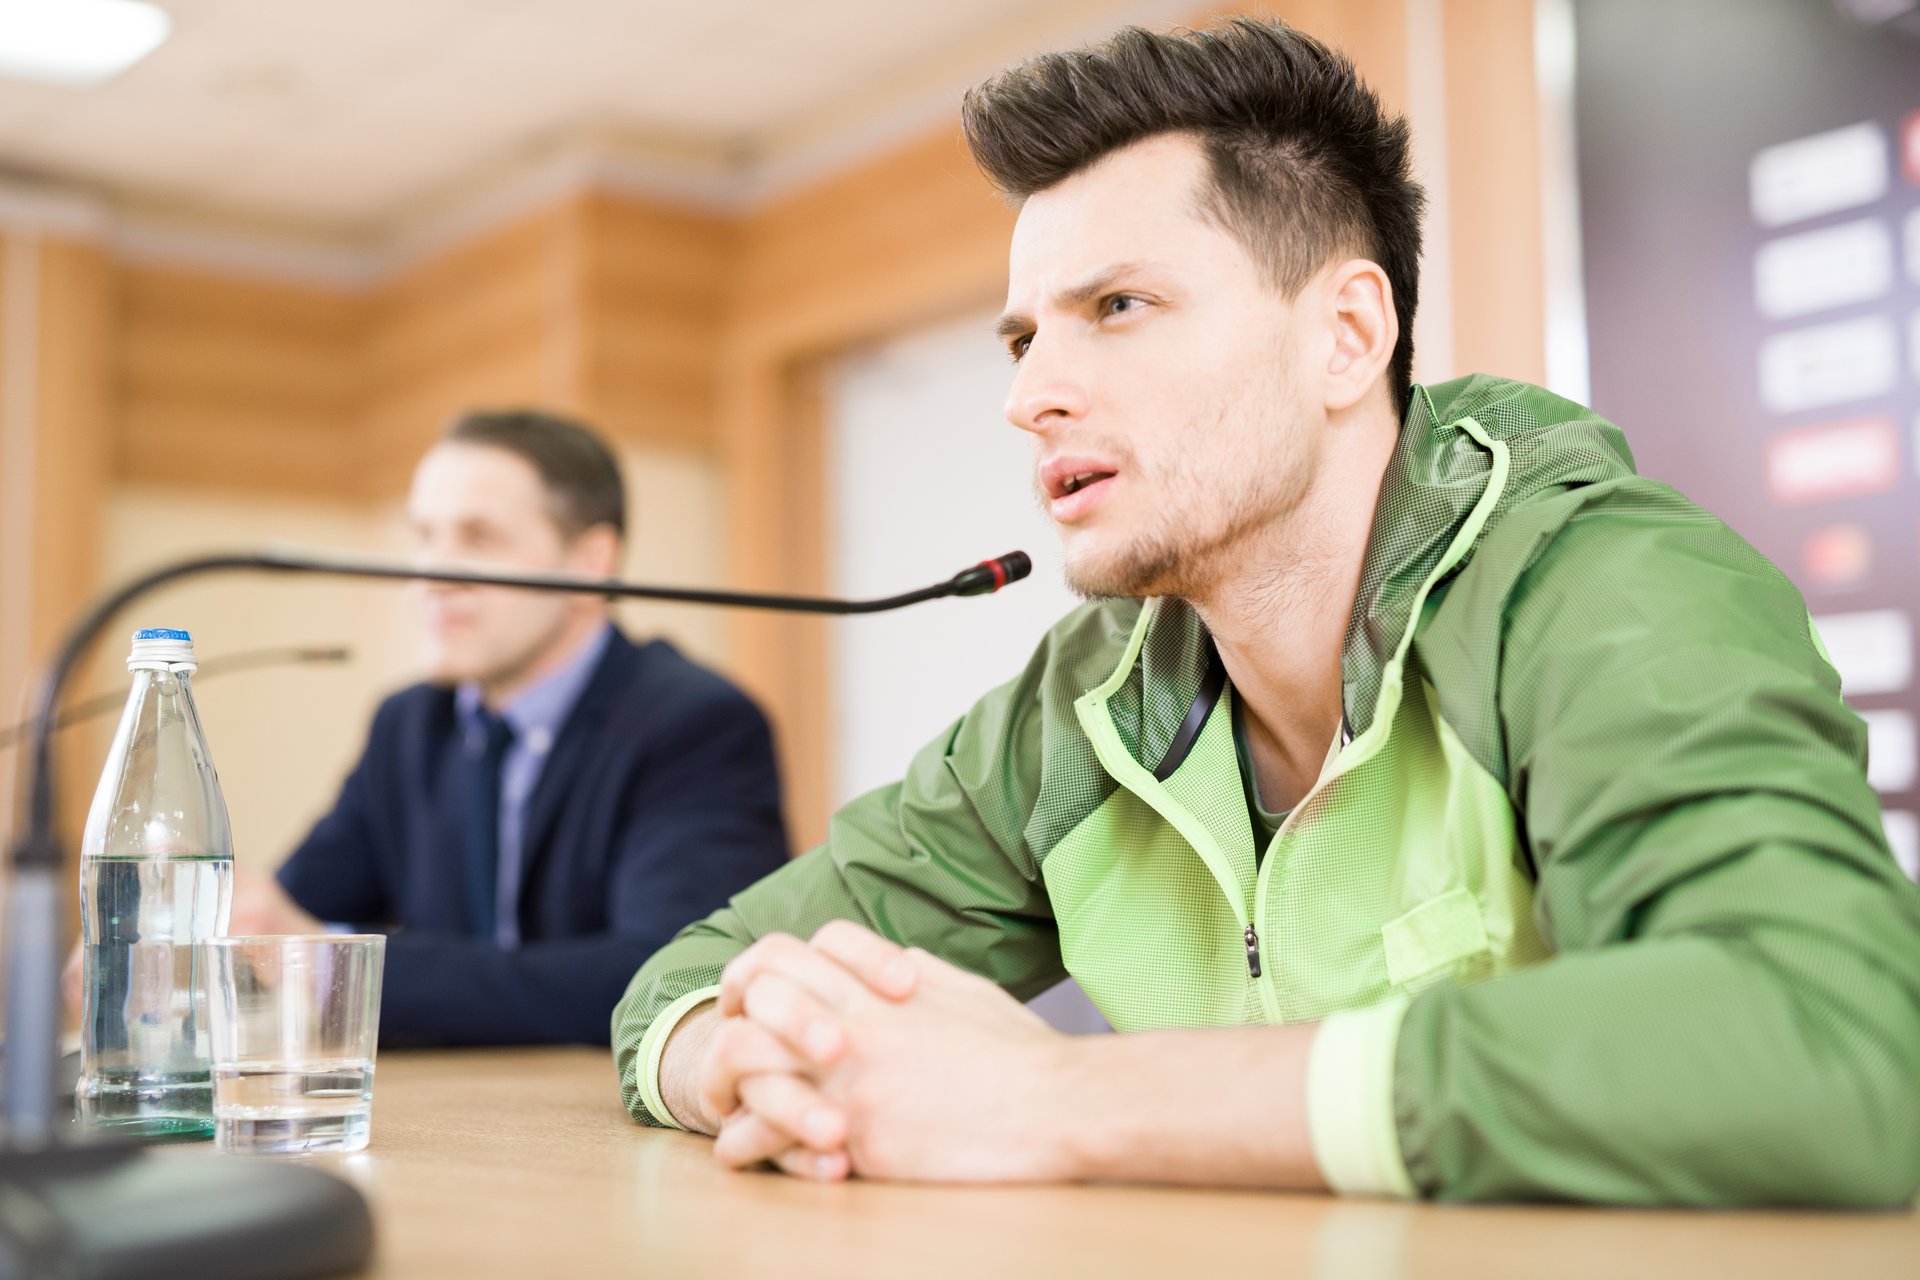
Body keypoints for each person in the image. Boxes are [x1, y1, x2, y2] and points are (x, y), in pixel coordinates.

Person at [610, 19, 1920, 1204]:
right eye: (1023, 341)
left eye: (1117, 307)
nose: (1032, 395)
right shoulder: (1089, 700)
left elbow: (1832, 1037)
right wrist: (760, 1063)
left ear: (1347, 337)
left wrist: (1056, 1101)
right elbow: (681, 986)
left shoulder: (1603, 587)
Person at [233, 409, 790, 1045]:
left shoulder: (697, 724)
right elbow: (294, 915)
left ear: (588, 564)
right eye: (426, 536)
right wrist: (213, 941)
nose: (431, 577)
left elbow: (670, 976)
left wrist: (330, 965)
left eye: (478, 538)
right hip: (453, 1120)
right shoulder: (408, 725)